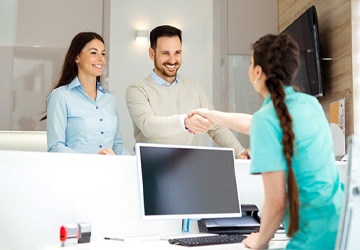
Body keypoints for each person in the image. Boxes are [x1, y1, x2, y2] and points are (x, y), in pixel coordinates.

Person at [189, 34, 344, 249]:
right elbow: (253, 122)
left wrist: (260, 240)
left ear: (258, 72)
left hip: (313, 238)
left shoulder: (268, 118)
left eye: (251, 63)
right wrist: (211, 115)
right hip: (344, 226)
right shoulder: (310, 104)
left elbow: (277, 201)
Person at [126, 25, 248, 158]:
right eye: (166, 53)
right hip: (150, 166)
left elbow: (216, 127)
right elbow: (148, 126)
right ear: (152, 53)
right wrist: (185, 122)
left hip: (187, 166)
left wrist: (239, 151)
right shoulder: (137, 89)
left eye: (177, 53)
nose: (172, 60)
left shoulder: (194, 87)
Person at [41, 32, 129, 155]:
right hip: (76, 172)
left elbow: (116, 145)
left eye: (103, 53)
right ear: (77, 57)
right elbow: (55, 147)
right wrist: (91, 160)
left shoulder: (110, 100)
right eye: (93, 52)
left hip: (108, 172)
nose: (101, 59)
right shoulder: (60, 96)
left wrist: (132, 162)